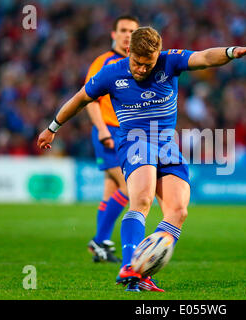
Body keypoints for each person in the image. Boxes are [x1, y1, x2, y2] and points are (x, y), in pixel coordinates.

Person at [37, 26, 246, 292]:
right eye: (138, 63)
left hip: (167, 146)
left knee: (178, 212)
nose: (142, 69)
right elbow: (80, 99)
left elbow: (204, 58)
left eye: (148, 64)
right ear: (129, 51)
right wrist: (52, 128)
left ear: (157, 56)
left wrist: (232, 52)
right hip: (135, 142)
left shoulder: (169, 61)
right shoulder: (111, 73)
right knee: (141, 201)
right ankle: (131, 267)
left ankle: (142, 272)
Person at [85, 15, 139, 263]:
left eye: (132, 31)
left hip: (125, 132)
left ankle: (101, 247)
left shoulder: (134, 62)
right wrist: (102, 130)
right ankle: (98, 240)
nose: (127, 35)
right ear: (113, 34)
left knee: (110, 192)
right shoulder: (104, 61)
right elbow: (90, 99)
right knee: (129, 188)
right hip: (108, 130)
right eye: (123, 30)